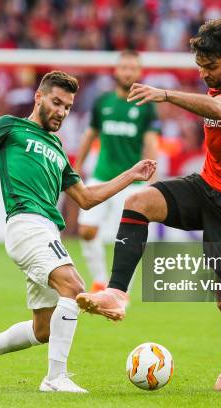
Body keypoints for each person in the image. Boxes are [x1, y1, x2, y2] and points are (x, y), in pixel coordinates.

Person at [0, 71, 156, 393]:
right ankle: (54, 379)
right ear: (39, 98)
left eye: (67, 107)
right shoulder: (9, 126)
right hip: (26, 224)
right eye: (56, 102)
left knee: (44, 329)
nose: (62, 112)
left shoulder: (58, 149)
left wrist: (131, 175)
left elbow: (87, 199)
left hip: (48, 230)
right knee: (73, 285)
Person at [76, 18, 221, 391]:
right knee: (138, 201)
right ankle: (117, 294)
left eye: (211, 67)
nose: (203, 74)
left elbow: (219, 110)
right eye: (199, 65)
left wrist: (166, 94)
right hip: (207, 186)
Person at [75, 50, 159, 292]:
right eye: (124, 68)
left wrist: (152, 180)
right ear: (116, 71)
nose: (128, 72)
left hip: (132, 183)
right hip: (101, 177)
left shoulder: (146, 106)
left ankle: (121, 292)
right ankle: (101, 281)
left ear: (139, 72)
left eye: (132, 68)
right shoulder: (103, 102)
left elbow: (151, 142)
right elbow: (89, 135)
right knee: (87, 230)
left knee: (126, 238)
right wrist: (77, 167)